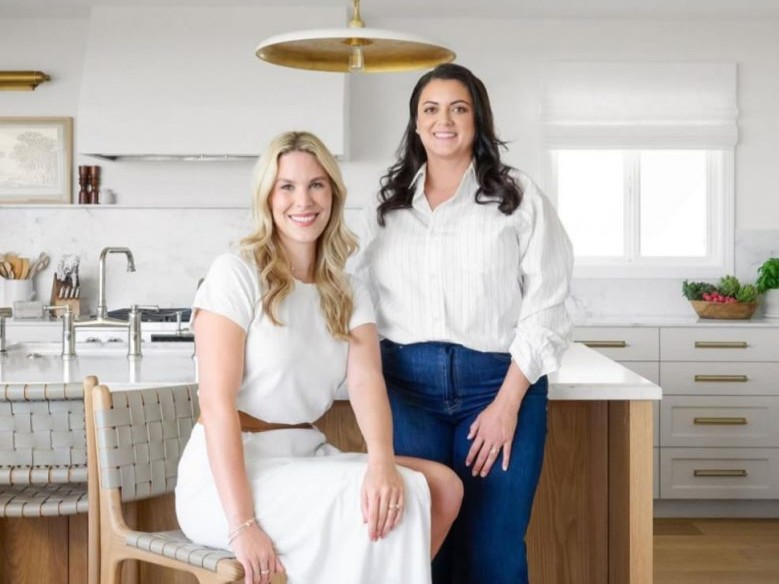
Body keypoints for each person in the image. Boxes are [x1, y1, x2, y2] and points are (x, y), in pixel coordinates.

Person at [175, 131, 463, 584]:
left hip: (305, 456)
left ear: (333, 194)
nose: (303, 200)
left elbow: (367, 382)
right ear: (267, 197)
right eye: (287, 186)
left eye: (316, 185)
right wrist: (242, 524)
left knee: (441, 487)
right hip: (231, 476)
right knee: (369, 499)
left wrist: (382, 462)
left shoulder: (348, 290)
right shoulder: (236, 274)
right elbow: (216, 407)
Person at [353, 64, 574, 584]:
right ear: (415, 122)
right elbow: (350, 291)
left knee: (493, 550)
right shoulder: (385, 204)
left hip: (497, 385)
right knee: (418, 547)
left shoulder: (517, 196)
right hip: (406, 390)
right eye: (430, 109)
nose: (444, 120)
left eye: (458, 108)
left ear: (478, 119)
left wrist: (506, 403)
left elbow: (547, 303)